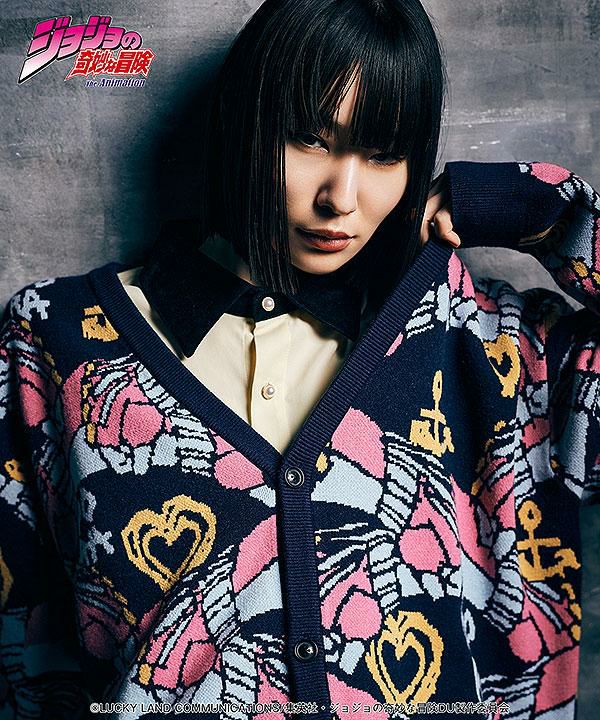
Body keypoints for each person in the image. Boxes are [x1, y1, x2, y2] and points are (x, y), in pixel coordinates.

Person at [0, 0, 598, 718]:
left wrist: (536, 210)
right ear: (245, 124)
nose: (341, 198)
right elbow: (21, 650)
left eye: (384, 155)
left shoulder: (486, 340)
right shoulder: (57, 340)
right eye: (310, 140)